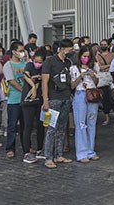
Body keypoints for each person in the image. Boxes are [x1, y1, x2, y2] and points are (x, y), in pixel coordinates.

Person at [41, 39, 74, 169]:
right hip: (53, 98)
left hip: (66, 97)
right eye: (69, 49)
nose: (70, 52)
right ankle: (48, 156)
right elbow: (44, 82)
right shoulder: (49, 62)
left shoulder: (67, 62)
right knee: (51, 129)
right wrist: (45, 100)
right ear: (62, 49)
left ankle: (58, 154)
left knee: (62, 127)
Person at [70, 47, 100, 163]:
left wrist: (92, 75)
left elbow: (98, 83)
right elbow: (72, 85)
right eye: (84, 56)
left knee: (91, 123)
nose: (85, 58)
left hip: (92, 94)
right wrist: (80, 77)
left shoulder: (95, 66)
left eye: (88, 56)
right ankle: (81, 153)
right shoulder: (74, 68)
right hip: (80, 95)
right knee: (81, 124)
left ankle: (90, 150)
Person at [21, 49, 46, 164]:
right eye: (36, 61)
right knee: (28, 125)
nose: (38, 64)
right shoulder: (29, 65)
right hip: (28, 100)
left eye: (40, 62)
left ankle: (40, 149)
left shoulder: (44, 67)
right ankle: (26, 152)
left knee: (40, 125)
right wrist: (33, 86)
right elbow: (26, 76)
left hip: (39, 101)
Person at [4, 45, 27, 159]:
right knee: (12, 125)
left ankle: (26, 146)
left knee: (25, 125)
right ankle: (10, 148)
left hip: (26, 100)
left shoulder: (25, 63)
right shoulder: (8, 65)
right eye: (20, 51)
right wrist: (23, 91)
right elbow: (12, 81)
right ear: (13, 52)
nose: (22, 53)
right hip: (14, 99)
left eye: (23, 51)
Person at [97, 40, 114, 127]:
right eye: (102, 45)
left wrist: (105, 67)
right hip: (103, 79)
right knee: (105, 99)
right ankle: (107, 117)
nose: (103, 46)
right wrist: (109, 65)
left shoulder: (112, 55)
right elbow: (99, 67)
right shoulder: (98, 56)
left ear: (108, 46)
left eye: (105, 45)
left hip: (113, 78)